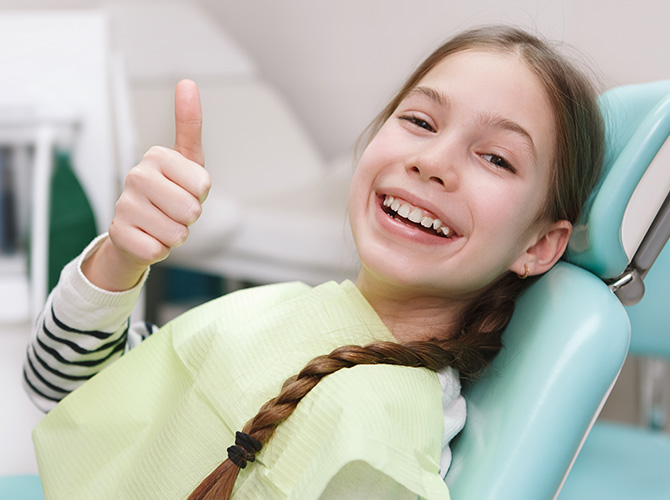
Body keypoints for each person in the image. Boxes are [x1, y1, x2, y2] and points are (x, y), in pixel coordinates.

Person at [24, 25, 604, 500]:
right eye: (421, 121)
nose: (434, 161)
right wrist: (119, 259)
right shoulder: (274, 311)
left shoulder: (386, 445)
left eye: (497, 159)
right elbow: (62, 387)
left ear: (539, 246)